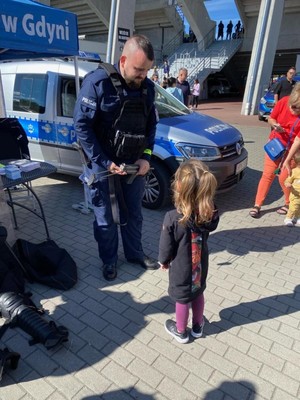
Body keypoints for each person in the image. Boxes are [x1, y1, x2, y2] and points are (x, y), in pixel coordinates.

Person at [73, 34, 159, 281]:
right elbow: (82, 127)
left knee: (134, 214)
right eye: (139, 69)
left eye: (147, 71)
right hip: (103, 168)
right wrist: (103, 161)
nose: (143, 75)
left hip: (134, 166)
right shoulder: (97, 83)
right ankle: (109, 261)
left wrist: (146, 157)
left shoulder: (147, 89)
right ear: (123, 60)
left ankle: (134, 254)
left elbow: (151, 127)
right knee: (106, 219)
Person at [158, 159, 219, 343]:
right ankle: (198, 326)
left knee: (182, 298)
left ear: (179, 187)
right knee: (198, 293)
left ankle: (181, 331)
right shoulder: (209, 212)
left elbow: (166, 245)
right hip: (200, 265)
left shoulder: (172, 217)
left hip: (181, 268)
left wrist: (164, 260)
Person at [249, 83, 300, 218]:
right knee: (267, 175)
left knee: (285, 177)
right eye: (293, 106)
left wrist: (288, 160)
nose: (293, 110)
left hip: (292, 149)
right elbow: (271, 118)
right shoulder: (283, 101)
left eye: (297, 109)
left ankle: (288, 203)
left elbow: (298, 140)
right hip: (275, 145)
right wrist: (274, 125)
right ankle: (257, 205)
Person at [283, 151, 300, 226]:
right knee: (293, 207)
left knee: (299, 207)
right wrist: (287, 184)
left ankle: (297, 217)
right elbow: (288, 180)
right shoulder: (294, 171)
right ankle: (288, 218)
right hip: (295, 194)